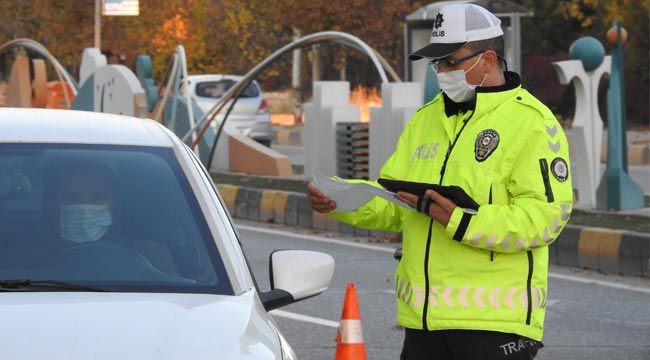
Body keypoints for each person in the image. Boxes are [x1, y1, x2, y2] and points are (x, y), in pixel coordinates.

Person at [307, 3, 573, 359]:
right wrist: (340, 200)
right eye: (438, 63)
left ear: (489, 59)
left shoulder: (533, 123)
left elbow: (546, 217)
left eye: (452, 61)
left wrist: (462, 222)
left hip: (494, 327)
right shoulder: (426, 118)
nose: (442, 72)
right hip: (424, 325)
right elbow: (396, 203)